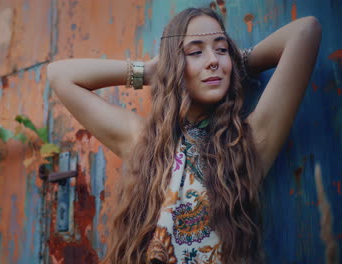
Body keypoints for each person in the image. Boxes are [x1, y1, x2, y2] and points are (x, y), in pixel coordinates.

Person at [47, 7, 321, 264]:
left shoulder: (248, 143)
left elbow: (305, 31)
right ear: (174, 66)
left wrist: (235, 63)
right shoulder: (144, 141)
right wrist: (149, 72)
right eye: (195, 52)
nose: (213, 60)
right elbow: (60, 75)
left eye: (221, 49)